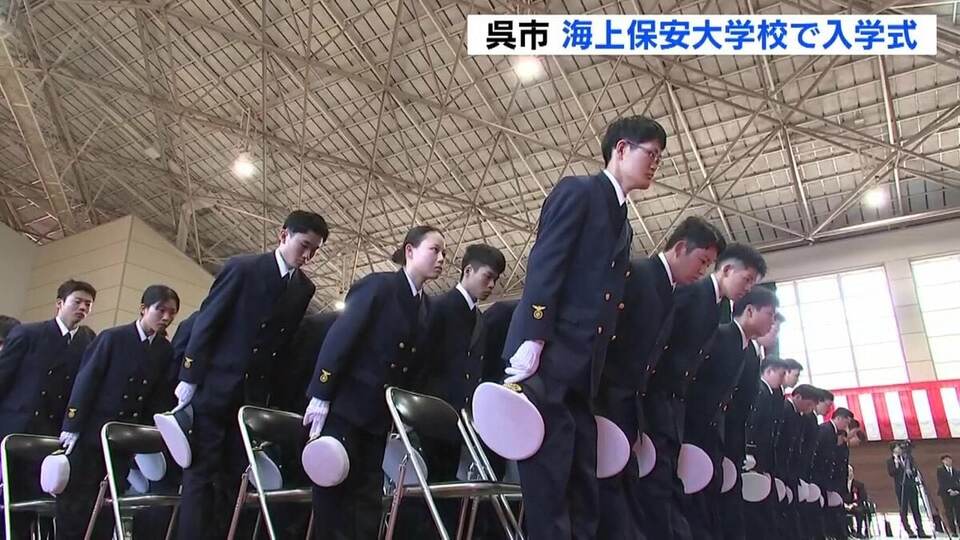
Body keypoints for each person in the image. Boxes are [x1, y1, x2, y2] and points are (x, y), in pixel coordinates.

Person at [498, 115, 665, 540]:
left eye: (659, 158)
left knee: (581, 481)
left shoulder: (623, 221)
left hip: (583, 369)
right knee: (550, 484)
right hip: (551, 355)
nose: (655, 164)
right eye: (651, 153)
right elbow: (546, 263)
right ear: (621, 149)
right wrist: (534, 335)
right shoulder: (579, 192)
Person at [173, 210, 328, 539]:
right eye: (304, 245)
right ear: (283, 235)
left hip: (251, 397)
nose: (308, 256)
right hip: (217, 386)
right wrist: (189, 375)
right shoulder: (243, 268)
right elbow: (209, 322)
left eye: (314, 250)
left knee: (234, 478)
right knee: (201, 474)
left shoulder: (304, 288)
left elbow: (283, 346)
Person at [304, 225, 445, 540]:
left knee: (367, 498)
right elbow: (341, 338)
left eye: (444, 253)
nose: (441, 259)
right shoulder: (379, 287)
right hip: (347, 406)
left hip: (378, 416)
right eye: (435, 250)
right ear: (410, 251)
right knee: (334, 495)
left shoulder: (426, 306)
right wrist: (321, 393)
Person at [597, 215, 725, 539]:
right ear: (680, 248)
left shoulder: (670, 290)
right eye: (702, 261)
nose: (703, 271)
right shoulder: (638, 275)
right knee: (607, 496)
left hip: (632, 407)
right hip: (608, 400)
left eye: (709, 265)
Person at [639, 243, 766, 540]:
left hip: (676, 409)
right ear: (727, 269)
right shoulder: (693, 294)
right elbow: (661, 342)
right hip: (660, 401)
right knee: (659, 492)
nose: (748, 288)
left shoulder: (715, 305)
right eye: (746, 279)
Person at [54, 285, 180, 540]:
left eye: (172, 313)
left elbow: (157, 397)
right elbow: (87, 381)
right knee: (77, 503)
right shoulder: (113, 338)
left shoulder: (164, 350)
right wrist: (72, 424)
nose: (166, 317)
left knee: (108, 504)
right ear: (143, 309)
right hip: (93, 433)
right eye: (160, 310)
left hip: (123, 440)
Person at [411, 243, 505, 536]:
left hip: (458, 418)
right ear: (468, 270)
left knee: (447, 486)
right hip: (432, 413)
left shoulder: (479, 318)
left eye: (495, 280)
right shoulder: (438, 307)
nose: (491, 285)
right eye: (487, 276)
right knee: (433, 487)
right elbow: (420, 360)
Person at [0, 280, 97, 538]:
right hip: (16, 427)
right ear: (59, 304)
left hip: (50, 433)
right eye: (77, 302)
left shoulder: (87, 343)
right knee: (8, 497)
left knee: (34, 501)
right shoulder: (28, 334)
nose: (83, 308)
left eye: (88, 304)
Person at [683, 286, 778, 540]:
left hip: (725, 439)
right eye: (769, 315)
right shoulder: (722, 337)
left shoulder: (749, 350)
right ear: (750, 311)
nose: (772, 324)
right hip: (700, 433)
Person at [743, 357, 790, 540]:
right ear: (769, 371)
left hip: (764, 456)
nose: (783, 379)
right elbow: (752, 423)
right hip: (754, 455)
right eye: (781, 374)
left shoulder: (771, 393)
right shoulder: (760, 390)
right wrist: (749, 450)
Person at [811, 407, 854, 540]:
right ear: (838, 418)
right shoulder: (825, 430)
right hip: (822, 478)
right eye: (846, 422)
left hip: (831, 480)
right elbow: (820, 455)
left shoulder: (835, 433)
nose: (846, 426)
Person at [887, 442, 930, 538]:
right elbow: (891, 473)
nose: (900, 449)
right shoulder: (890, 461)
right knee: (904, 509)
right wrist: (897, 464)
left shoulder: (908, 458)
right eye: (898, 448)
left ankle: (921, 530)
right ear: (893, 449)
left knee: (916, 509)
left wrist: (912, 471)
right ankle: (908, 530)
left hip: (911, 485)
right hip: (901, 487)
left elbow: (915, 471)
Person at [845, 465, 870, 539]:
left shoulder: (859, 484)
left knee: (859, 511)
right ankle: (847, 532)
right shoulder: (841, 484)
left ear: (852, 472)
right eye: (847, 471)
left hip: (856, 505)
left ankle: (859, 532)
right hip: (845, 505)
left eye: (850, 471)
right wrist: (845, 505)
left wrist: (853, 504)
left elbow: (863, 497)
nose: (848, 473)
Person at [938, 454, 960, 536]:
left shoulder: (956, 471)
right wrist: (949, 490)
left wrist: (957, 491)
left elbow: (958, 482)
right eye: (946, 460)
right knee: (949, 513)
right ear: (943, 461)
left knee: (958, 512)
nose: (949, 461)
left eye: (950, 460)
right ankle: (953, 531)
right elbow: (942, 482)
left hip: (956, 494)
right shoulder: (940, 471)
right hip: (946, 494)